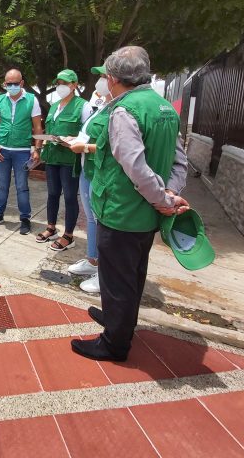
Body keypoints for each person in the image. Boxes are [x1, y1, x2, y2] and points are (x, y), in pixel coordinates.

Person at [70, 46, 189, 362]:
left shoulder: (124, 112)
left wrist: (164, 199)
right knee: (131, 275)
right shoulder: (164, 108)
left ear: (112, 78)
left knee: (118, 279)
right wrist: (169, 196)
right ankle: (118, 321)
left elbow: (134, 166)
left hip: (122, 212)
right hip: (147, 214)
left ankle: (114, 344)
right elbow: (180, 161)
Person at [66, 65, 111, 293]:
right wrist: (76, 140)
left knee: (103, 221)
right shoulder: (101, 106)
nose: (100, 81)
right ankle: (93, 260)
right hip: (87, 168)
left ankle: (105, 273)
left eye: (104, 77)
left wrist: (85, 146)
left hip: (100, 172)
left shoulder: (118, 108)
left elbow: (114, 147)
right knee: (92, 219)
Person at [0, 69, 43, 235]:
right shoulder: (0, 100)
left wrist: (37, 149)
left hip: (22, 151)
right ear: (4, 84)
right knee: (2, 185)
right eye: (8, 84)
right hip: (2, 150)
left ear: (22, 83)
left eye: (15, 83)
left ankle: (25, 218)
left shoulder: (31, 100)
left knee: (21, 186)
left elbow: (38, 127)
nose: (11, 86)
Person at [36, 69, 86, 251]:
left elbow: (87, 134)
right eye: (58, 83)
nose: (61, 86)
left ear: (74, 85)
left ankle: (69, 235)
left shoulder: (83, 106)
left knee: (71, 197)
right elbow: (48, 130)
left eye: (65, 83)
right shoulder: (55, 106)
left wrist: (72, 140)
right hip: (52, 158)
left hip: (69, 159)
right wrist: (40, 148)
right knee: (52, 194)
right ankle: (51, 227)